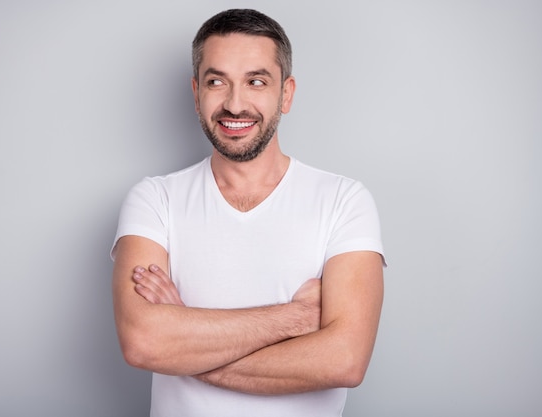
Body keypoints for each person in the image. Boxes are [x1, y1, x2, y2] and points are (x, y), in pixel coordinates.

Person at [111, 8, 385, 417]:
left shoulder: (344, 200)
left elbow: (344, 360)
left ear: (286, 94)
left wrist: (185, 339)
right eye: (217, 81)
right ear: (196, 92)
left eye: (256, 82)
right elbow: (145, 343)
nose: (235, 104)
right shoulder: (155, 199)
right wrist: (293, 319)